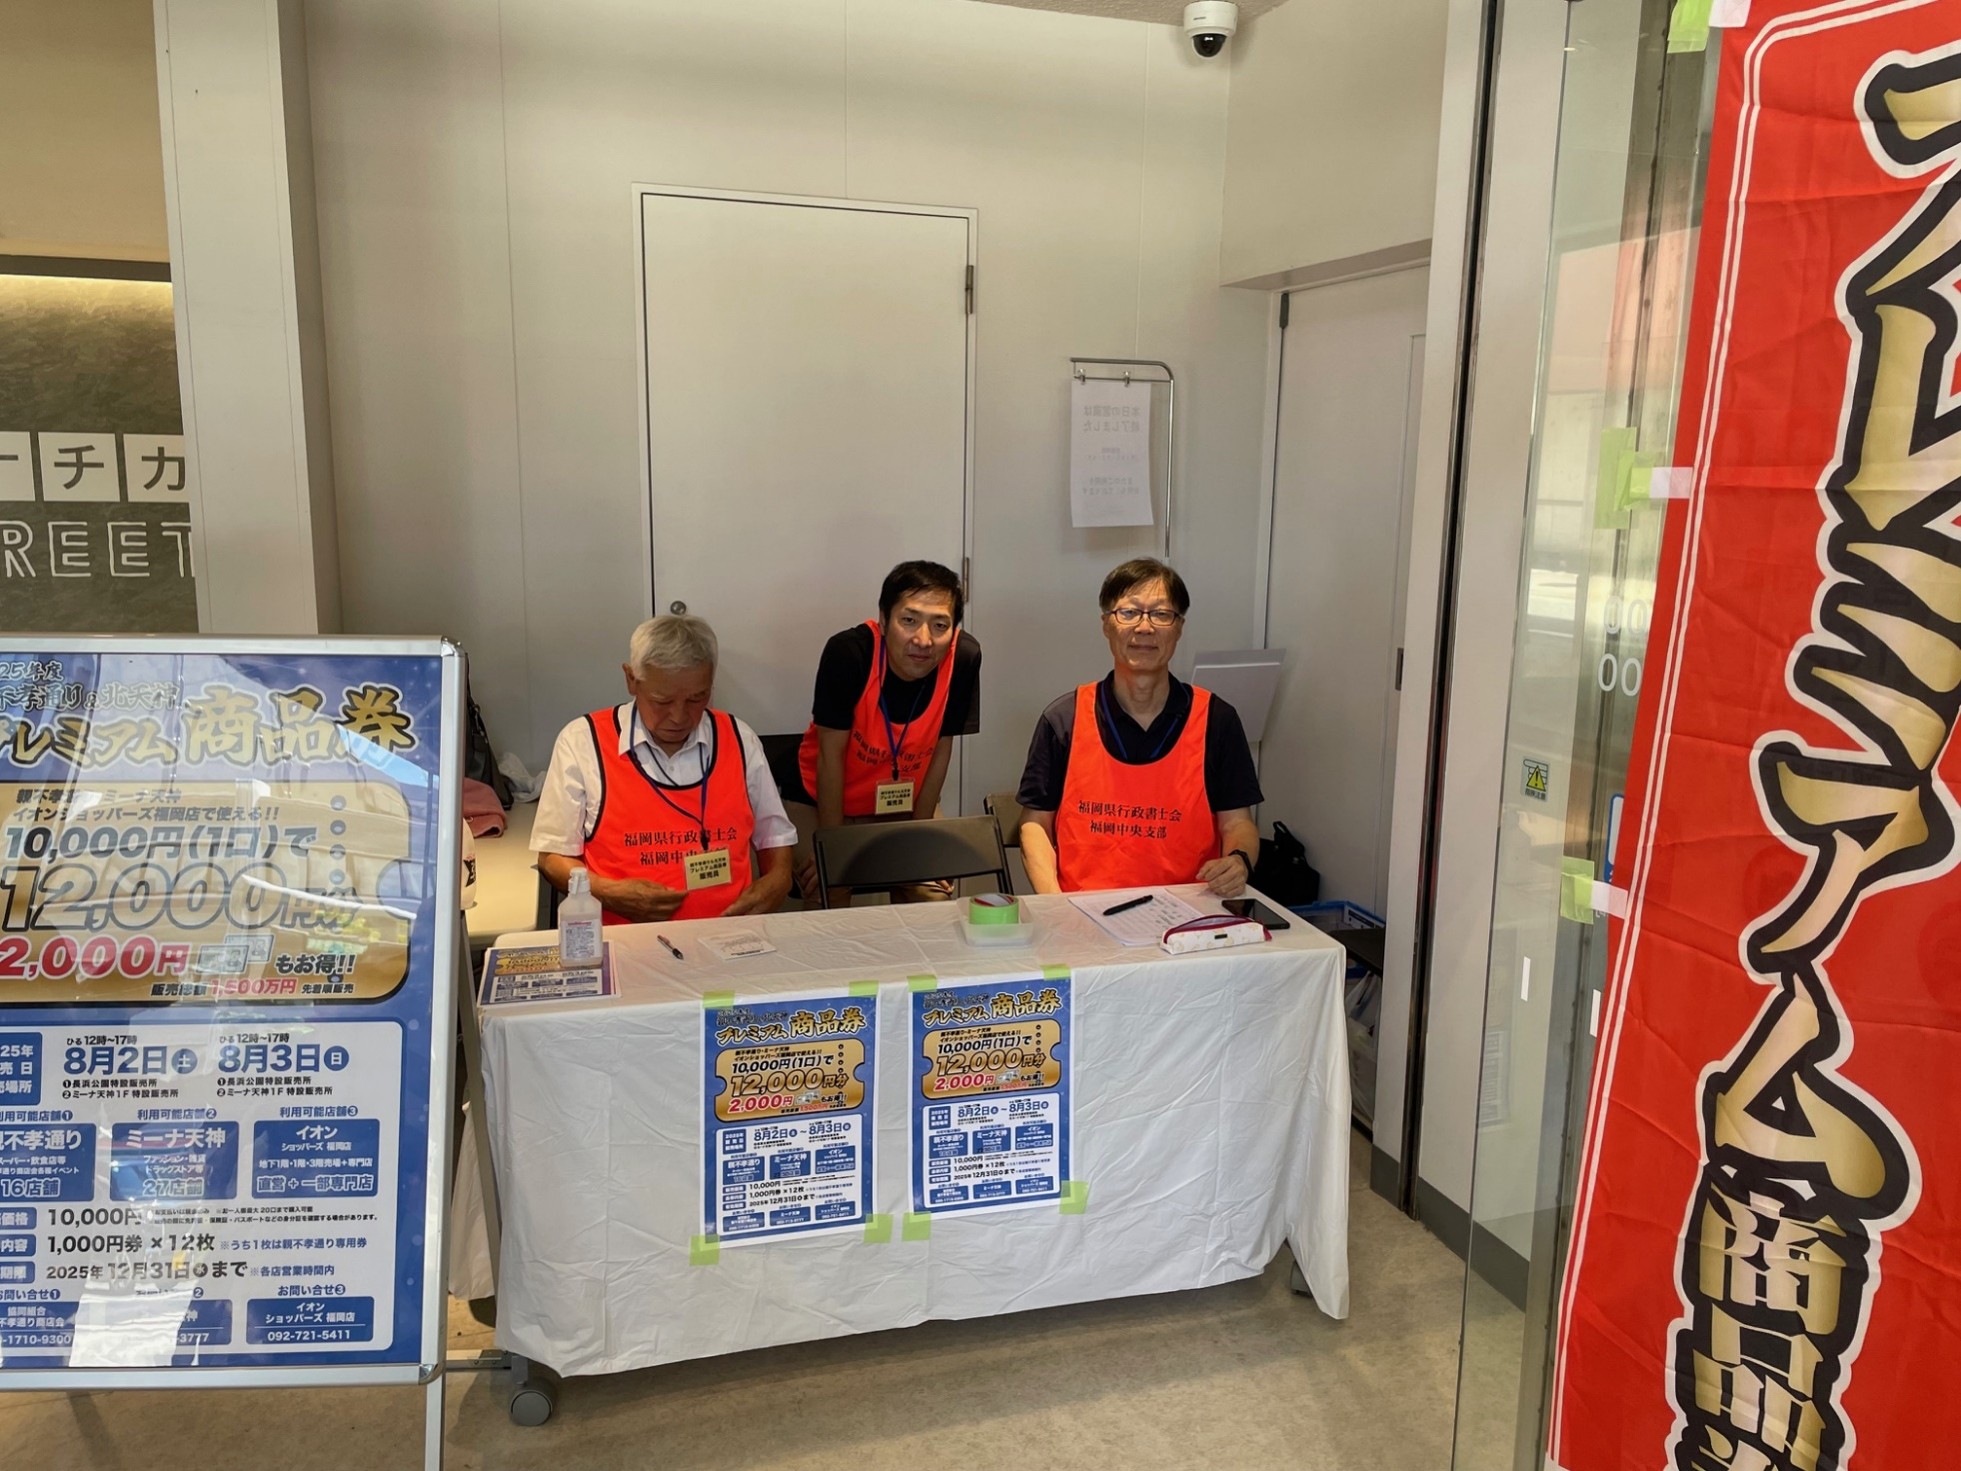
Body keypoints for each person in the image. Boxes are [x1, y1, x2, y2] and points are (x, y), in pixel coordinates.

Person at [1016, 557, 1260, 896]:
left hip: (1190, 912)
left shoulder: (1216, 720)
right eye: (1129, 612)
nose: (1144, 628)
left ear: (1179, 627)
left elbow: (1237, 822)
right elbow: (1035, 825)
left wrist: (1238, 860)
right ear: (1106, 624)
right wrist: (1055, 905)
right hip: (1083, 910)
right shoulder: (1064, 719)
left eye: (1161, 614)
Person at [531, 614, 795, 923]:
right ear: (631, 679)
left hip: (729, 934)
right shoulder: (583, 742)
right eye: (662, 701)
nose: (679, 717)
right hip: (624, 938)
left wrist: (779, 878)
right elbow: (552, 856)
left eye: (697, 698)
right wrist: (606, 892)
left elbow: (774, 835)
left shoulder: (738, 739)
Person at [785, 560, 982, 905]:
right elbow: (830, 757)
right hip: (821, 801)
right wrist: (833, 846)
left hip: (902, 804)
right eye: (909, 620)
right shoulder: (849, 653)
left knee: (929, 888)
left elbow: (942, 748)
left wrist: (920, 835)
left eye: (940, 625)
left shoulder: (963, 658)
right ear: (883, 619)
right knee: (828, 884)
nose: (923, 640)